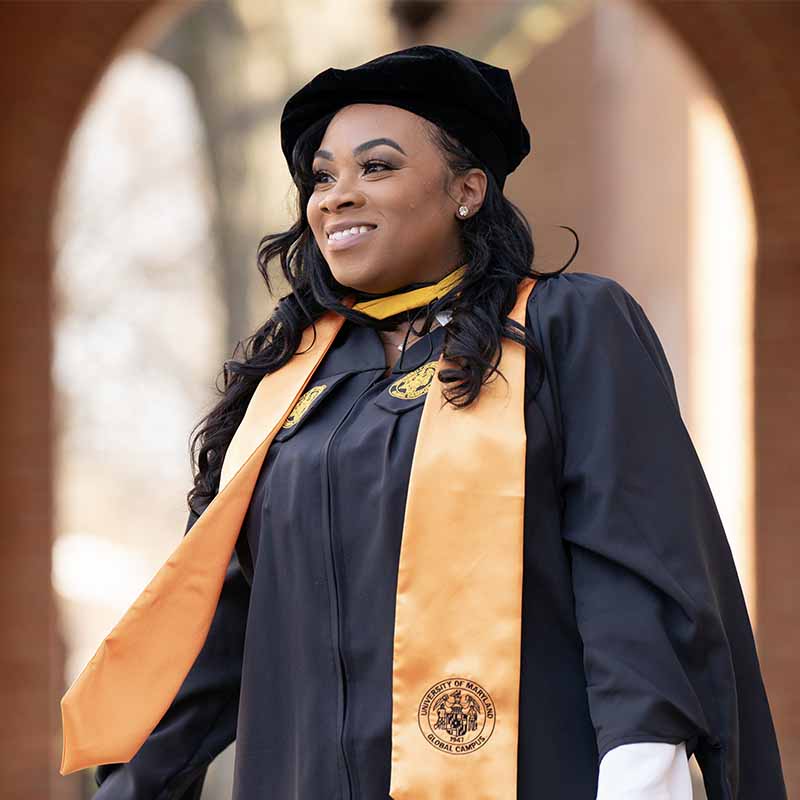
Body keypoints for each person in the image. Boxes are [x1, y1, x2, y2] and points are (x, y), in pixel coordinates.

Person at [87, 45, 785, 799]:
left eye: (376, 167)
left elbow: (633, 564)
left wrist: (642, 763)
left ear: (468, 189)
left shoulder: (562, 329)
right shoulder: (292, 385)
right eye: (323, 177)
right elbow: (216, 629)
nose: (336, 197)